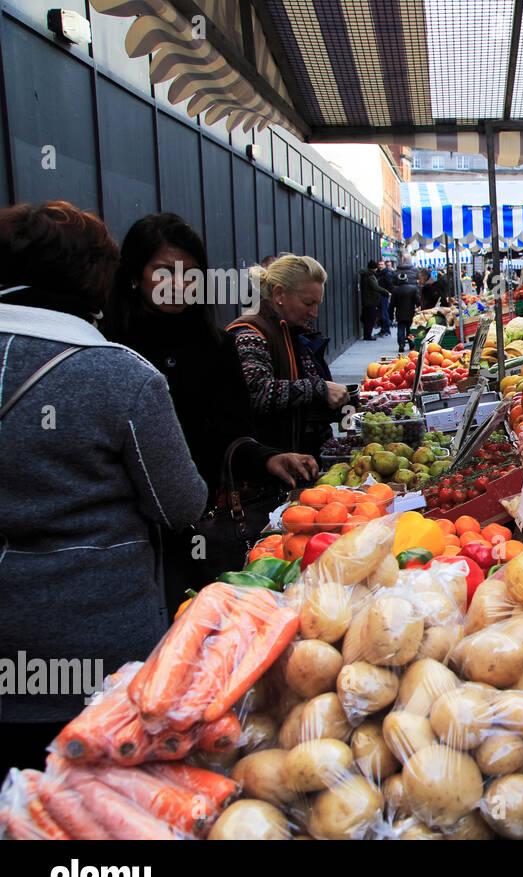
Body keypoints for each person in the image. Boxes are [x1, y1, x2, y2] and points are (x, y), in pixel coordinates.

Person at [0, 201, 207, 750]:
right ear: (100, 275)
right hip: (96, 647)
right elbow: (179, 505)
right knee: (91, 800)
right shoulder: (119, 373)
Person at [102, 213, 319, 611]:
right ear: (134, 274)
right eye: (164, 272)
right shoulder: (108, 345)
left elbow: (231, 431)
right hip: (123, 533)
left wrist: (269, 457)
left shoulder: (216, 345)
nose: (178, 285)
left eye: (190, 274)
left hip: (200, 524)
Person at [228, 254, 348, 458]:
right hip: (267, 465)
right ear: (279, 294)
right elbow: (257, 391)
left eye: (317, 304)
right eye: (308, 303)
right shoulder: (250, 333)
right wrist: (321, 389)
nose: (314, 313)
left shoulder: (292, 331)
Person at [390, 265, 420, 352]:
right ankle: (411, 345)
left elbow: (392, 304)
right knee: (410, 330)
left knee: (400, 329)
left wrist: (391, 315)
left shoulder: (395, 290)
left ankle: (401, 345)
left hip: (400, 313)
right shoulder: (413, 289)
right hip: (410, 312)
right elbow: (417, 301)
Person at [360, 260, 387, 341]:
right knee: (370, 319)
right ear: (373, 268)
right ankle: (368, 335)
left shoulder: (366, 275)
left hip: (368, 301)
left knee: (367, 319)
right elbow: (375, 287)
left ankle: (367, 335)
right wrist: (386, 292)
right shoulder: (369, 276)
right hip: (370, 301)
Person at [376, 260, 395, 337]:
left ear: (384, 265)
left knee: (384, 312)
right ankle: (384, 329)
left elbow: (390, 285)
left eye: (382, 264)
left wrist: (388, 293)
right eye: (379, 264)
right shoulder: (381, 273)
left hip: (384, 295)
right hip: (381, 294)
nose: (380, 266)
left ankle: (386, 330)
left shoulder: (387, 273)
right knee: (382, 312)